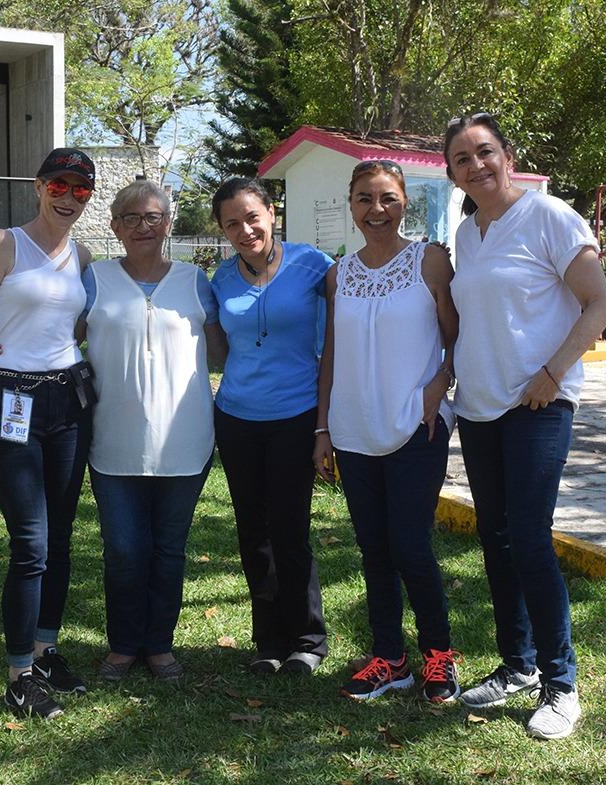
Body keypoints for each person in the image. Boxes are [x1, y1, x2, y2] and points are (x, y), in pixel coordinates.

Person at [442, 113, 606, 739]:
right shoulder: (467, 235)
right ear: (453, 172)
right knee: (495, 536)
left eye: (485, 152)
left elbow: (601, 303)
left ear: (507, 156)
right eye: (462, 158)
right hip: (481, 408)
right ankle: (516, 665)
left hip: (538, 405)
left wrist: (552, 373)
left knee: (530, 539)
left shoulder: (550, 216)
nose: (476, 165)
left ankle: (560, 682)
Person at [312, 160, 461, 704]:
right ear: (351, 205)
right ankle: (389, 657)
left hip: (415, 427)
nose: (377, 210)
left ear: (405, 203)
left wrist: (441, 382)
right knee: (374, 548)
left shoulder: (430, 261)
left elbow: (456, 336)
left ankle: (439, 655)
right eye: (365, 199)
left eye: (388, 198)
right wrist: (323, 427)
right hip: (353, 429)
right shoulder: (338, 274)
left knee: (411, 546)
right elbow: (331, 354)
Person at [0, 147, 98, 720]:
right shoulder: (4, 243)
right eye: (60, 186)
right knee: (32, 543)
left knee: (60, 538)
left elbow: (79, 324)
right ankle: (18, 675)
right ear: (40, 187)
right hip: (12, 399)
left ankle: (45, 652)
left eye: (81, 191)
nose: (69, 198)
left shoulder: (83, 253)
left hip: (70, 399)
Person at [84, 180, 225, 683]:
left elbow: (223, 351)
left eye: (153, 218)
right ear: (115, 227)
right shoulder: (94, 279)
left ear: (168, 223)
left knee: (168, 549)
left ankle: (159, 646)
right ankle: (123, 646)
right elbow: (56, 335)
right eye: (131, 218)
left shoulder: (195, 280)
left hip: (185, 440)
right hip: (112, 440)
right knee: (123, 549)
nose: (144, 227)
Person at [210, 178, 332, 675]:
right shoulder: (219, 278)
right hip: (237, 418)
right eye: (232, 223)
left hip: (296, 415)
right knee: (252, 532)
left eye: (252, 217)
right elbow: (215, 348)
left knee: (290, 529)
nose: (245, 229)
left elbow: (350, 329)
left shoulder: (313, 266)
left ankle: (307, 639)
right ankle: (268, 640)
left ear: (271, 213)